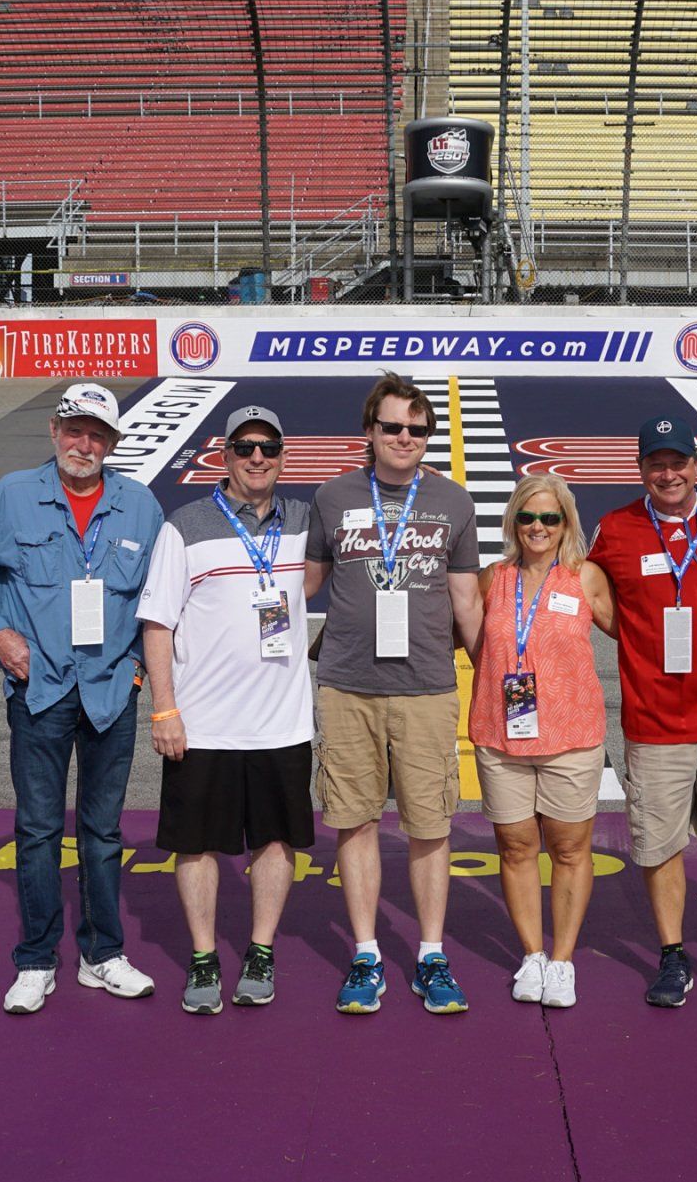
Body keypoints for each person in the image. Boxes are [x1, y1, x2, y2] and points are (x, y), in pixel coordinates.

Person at [0, 382, 166, 1015]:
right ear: (54, 432)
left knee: (102, 832)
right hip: (38, 689)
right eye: (74, 430)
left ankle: (103, 956)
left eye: (97, 435)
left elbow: (159, 598)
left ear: (113, 444)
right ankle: (37, 960)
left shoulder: (139, 506)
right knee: (38, 830)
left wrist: (136, 672)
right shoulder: (13, 497)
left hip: (110, 694)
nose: (83, 444)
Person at [304, 372, 483, 1015]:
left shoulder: (454, 503)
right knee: (353, 822)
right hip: (347, 685)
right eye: (392, 427)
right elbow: (306, 585)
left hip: (427, 688)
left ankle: (431, 954)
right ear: (369, 432)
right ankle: (366, 953)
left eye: (417, 428)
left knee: (431, 826)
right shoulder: (330, 497)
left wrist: (492, 674)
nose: (405, 437)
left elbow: (467, 602)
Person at [584, 414, 697, 1012]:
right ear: (641, 469)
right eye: (655, 463)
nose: (668, 473)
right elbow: (596, 600)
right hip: (655, 722)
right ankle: (673, 955)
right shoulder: (615, 530)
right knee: (660, 848)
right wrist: (641, 636)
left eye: (678, 461)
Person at [138, 404, 315, 1016]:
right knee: (197, 845)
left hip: (282, 722)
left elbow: (316, 589)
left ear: (283, 455)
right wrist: (165, 712)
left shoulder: (302, 521)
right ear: (224, 454)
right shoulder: (183, 525)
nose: (257, 457)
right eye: (245, 447)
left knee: (275, 842)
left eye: (268, 447)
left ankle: (261, 951)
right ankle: (204, 955)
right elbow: (157, 624)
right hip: (204, 722)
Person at [470, 474, 615, 1009]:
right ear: (512, 521)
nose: (538, 527)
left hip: (572, 737)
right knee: (515, 848)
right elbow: (471, 644)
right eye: (528, 516)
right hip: (500, 736)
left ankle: (563, 960)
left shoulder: (586, 578)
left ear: (566, 524)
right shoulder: (493, 579)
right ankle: (532, 954)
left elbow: (635, 633)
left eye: (550, 518)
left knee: (571, 851)